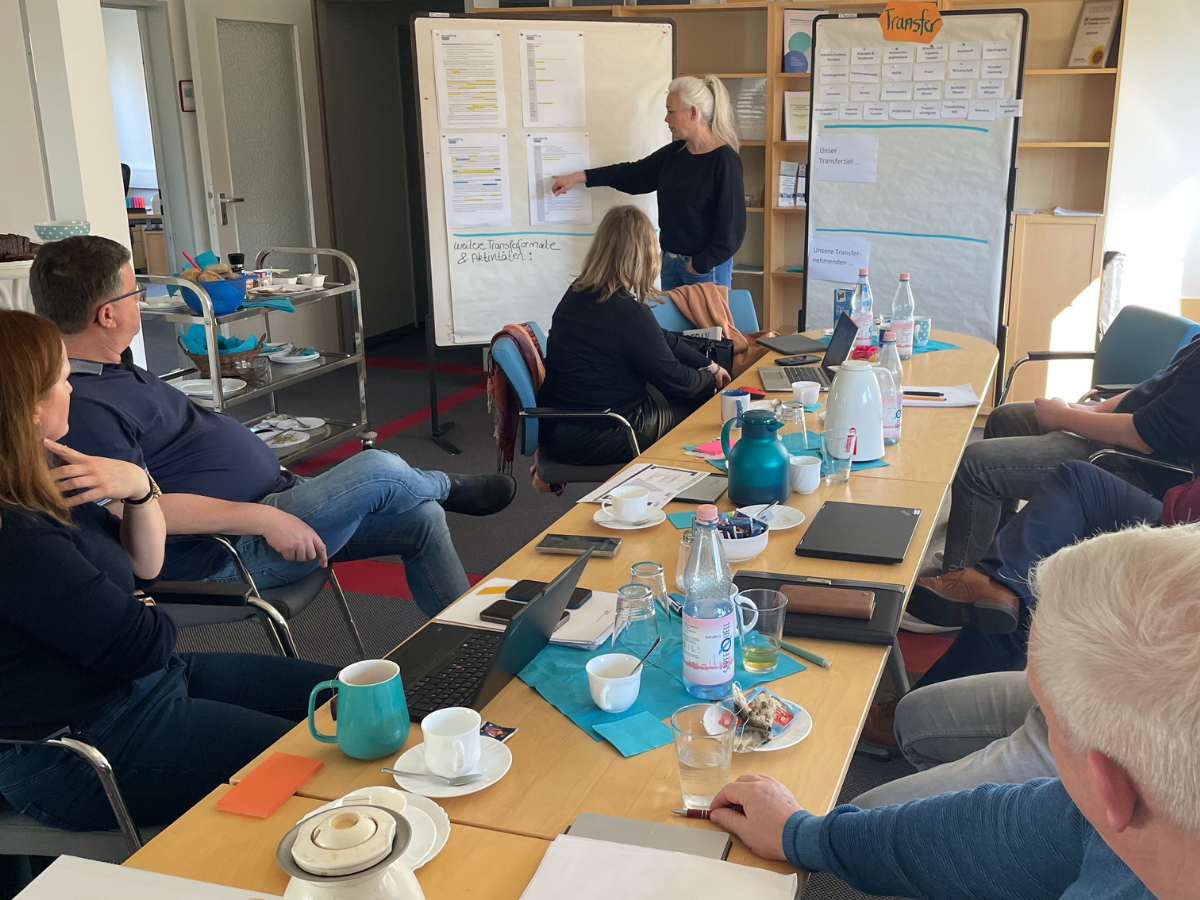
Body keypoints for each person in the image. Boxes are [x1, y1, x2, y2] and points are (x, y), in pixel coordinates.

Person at [31, 236, 516, 618]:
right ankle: (446, 485)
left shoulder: (111, 368)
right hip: (228, 553)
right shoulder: (83, 408)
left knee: (421, 520)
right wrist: (262, 518)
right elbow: (130, 512)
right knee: (379, 469)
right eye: (134, 292)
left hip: (273, 503)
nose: (142, 300)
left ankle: (469, 644)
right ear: (107, 314)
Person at [711, 524, 1200, 899]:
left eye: (1048, 716)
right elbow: (1014, 826)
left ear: (1109, 783)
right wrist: (805, 834)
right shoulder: (1126, 815)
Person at [0, 310, 339, 830]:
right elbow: (141, 642)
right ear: (27, 410)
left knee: (350, 699)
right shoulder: (16, 534)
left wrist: (138, 487)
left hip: (147, 685)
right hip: (81, 749)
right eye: (62, 380)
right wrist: (137, 606)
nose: (72, 389)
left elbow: (144, 565)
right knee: (318, 770)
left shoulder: (46, 474)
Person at [861, 460, 1166, 748]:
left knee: (1025, 582)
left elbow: (1150, 429)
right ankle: (922, 711)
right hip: (1178, 507)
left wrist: (1069, 414)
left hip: (1181, 528)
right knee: (1024, 579)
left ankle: (917, 717)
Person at [942, 332, 1200, 571]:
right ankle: (989, 552)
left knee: (978, 465)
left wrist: (1065, 418)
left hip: (1138, 464)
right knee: (1004, 418)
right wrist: (1091, 411)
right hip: (1125, 438)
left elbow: (1145, 435)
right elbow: (1150, 389)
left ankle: (957, 594)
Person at [536, 206, 730, 466]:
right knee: (700, 411)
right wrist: (713, 382)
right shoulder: (627, 312)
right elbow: (675, 379)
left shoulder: (579, 293)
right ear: (644, 255)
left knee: (676, 391)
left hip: (559, 427)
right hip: (602, 431)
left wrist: (707, 364)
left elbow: (660, 338)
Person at [550, 76, 745, 290]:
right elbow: (634, 175)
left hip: (705, 270)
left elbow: (731, 229)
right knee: (672, 325)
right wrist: (581, 177)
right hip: (671, 264)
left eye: (671, 112)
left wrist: (700, 264)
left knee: (710, 326)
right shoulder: (675, 154)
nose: (666, 119)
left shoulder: (724, 161)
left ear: (693, 113)